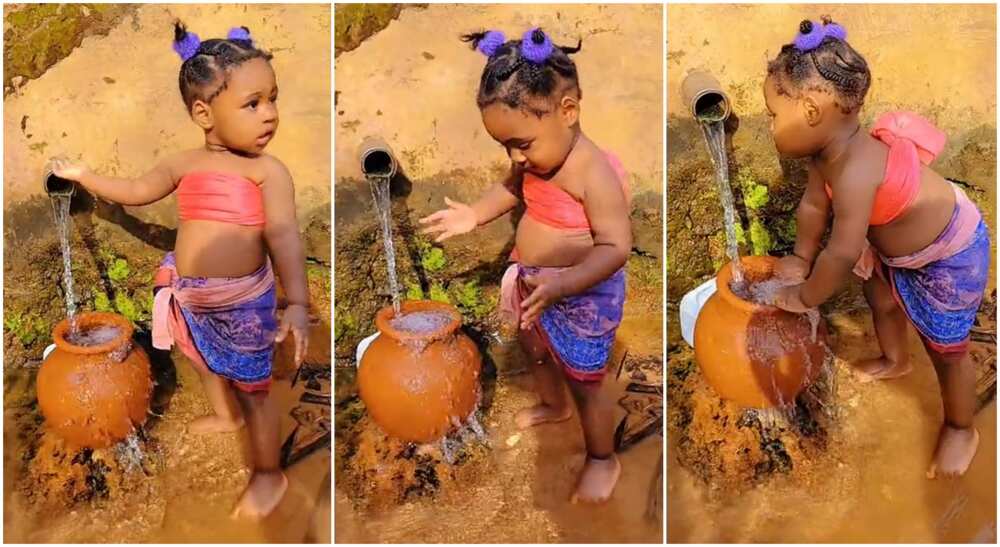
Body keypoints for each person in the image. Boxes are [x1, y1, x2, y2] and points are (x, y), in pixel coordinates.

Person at [48, 21, 310, 518]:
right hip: (190, 295)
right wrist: (85, 176)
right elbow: (137, 190)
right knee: (202, 359)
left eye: (273, 99)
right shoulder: (183, 163)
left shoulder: (267, 171)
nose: (270, 114)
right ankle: (222, 415)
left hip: (243, 302)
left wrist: (296, 302)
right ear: (203, 113)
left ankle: (268, 475)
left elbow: (283, 237)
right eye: (253, 103)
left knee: (255, 389)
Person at [764, 17, 990, 478]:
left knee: (948, 350)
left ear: (810, 109)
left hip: (950, 251)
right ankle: (895, 359)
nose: (769, 126)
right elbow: (812, 207)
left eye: (772, 114)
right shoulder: (825, 156)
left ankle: (962, 428)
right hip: (896, 248)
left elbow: (843, 253)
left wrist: (804, 296)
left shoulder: (855, 171)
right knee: (878, 297)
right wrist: (801, 258)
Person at [420, 27, 632, 502]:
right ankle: (553, 405)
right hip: (538, 284)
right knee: (534, 346)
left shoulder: (592, 173)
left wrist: (566, 284)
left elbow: (615, 247)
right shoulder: (534, 158)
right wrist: (473, 214)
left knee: (586, 382)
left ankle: (603, 457)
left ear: (568, 111)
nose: (516, 157)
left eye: (522, 144)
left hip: (584, 294)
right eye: (505, 147)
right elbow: (512, 188)